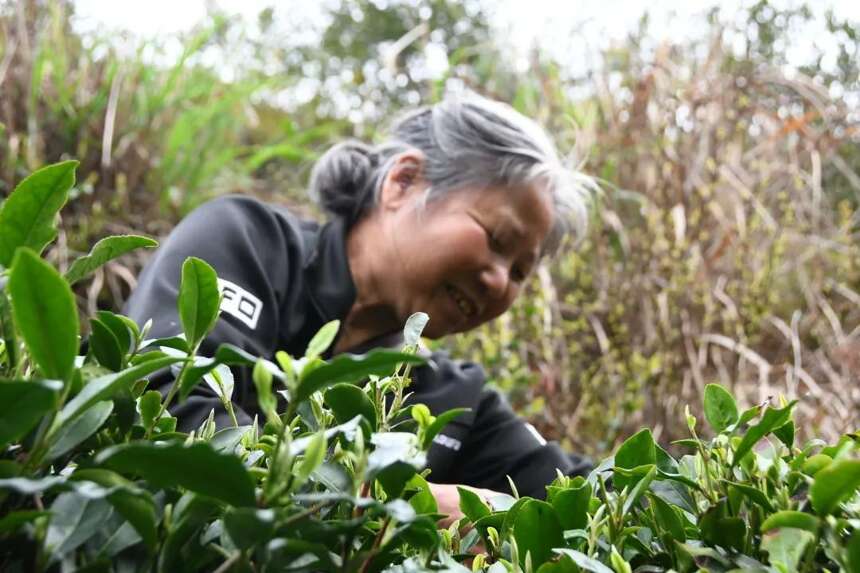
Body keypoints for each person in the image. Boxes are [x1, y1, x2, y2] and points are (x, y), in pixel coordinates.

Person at [123, 93, 594, 518]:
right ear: (403, 182)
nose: (498, 282)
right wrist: (406, 506)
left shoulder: (448, 396)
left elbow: (591, 497)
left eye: (519, 272)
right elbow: (164, 399)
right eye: (495, 239)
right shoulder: (250, 246)